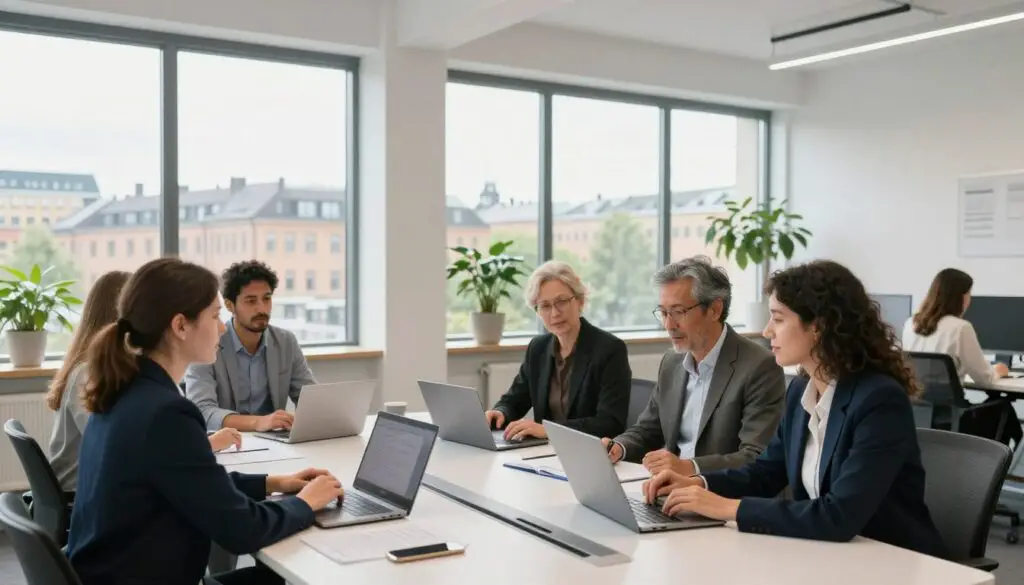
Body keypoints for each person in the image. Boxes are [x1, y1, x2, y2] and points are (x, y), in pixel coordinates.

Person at [643, 260, 947, 558]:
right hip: (826, 553)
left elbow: (839, 514)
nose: (766, 331)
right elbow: (766, 473)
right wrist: (699, 484)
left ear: (817, 326)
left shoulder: (879, 401)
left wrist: (725, 507)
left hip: (891, 561)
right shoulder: (803, 389)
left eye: (777, 318)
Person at [66, 258, 344, 585]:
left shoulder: (126, 389)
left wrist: (274, 483)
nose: (223, 327)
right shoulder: (165, 414)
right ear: (181, 326)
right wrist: (305, 503)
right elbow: (243, 531)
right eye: (215, 315)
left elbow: (191, 482)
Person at [47, 271, 241, 491]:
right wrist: (208, 444)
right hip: (82, 493)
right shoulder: (90, 373)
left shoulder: (131, 372)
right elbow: (123, 449)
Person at [603, 256, 786, 477]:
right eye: (663, 313)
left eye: (678, 312)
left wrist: (690, 467)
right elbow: (648, 429)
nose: (669, 325)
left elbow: (754, 456)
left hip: (719, 496)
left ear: (714, 309)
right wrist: (618, 447)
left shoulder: (759, 366)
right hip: (669, 489)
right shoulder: (672, 362)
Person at [484, 261, 631, 440]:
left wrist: (549, 430)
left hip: (590, 454)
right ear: (537, 312)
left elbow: (610, 422)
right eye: (545, 306)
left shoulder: (609, 349)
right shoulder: (538, 348)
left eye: (561, 302)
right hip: (543, 453)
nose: (554, 313)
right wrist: (500, 412)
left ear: (580, 301)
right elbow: (514, 400)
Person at [185, 260, 315, 432]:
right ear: (230, 305)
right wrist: (259, 422)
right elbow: (203, 411)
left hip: (275, 442)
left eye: (266, 299)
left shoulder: (285, 342)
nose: (262, 308)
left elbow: (311, 400)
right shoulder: (206, 345)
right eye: (251, 301)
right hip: (227, 444)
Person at [902, 268, 1009, 385]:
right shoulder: (961, 328)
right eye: (969, 293)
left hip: (916, 401)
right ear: (961, 297)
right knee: (1002, 403)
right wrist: (998, 371)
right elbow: (984, 378)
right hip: (949, 402)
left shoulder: (910, 323)